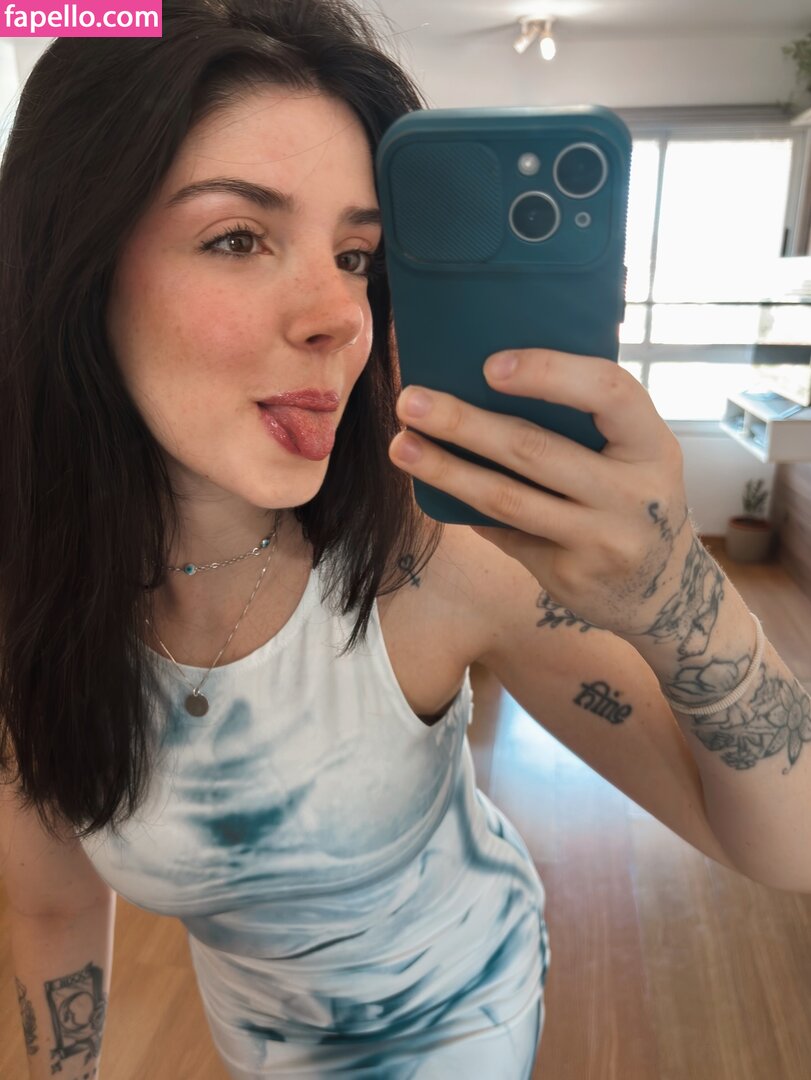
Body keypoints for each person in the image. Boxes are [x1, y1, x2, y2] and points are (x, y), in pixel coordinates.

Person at [1, 1, 809, 1078]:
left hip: (460, 1021)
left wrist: (677, 601)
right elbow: (52, 909)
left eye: (356, 256)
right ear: (72, 268)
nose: (340, 315)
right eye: (238, 238)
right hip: (258, 1043)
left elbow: (788, 842)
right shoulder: (34, 601)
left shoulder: (430, 560)